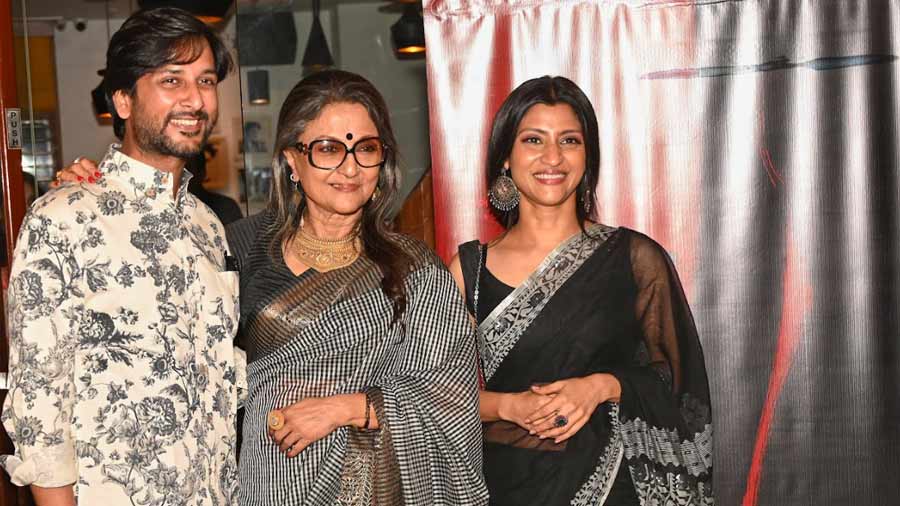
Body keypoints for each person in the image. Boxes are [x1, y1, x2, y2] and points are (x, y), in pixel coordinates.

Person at [59, 70, 490, 505]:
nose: (350, 167)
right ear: (292, 161)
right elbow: (158, 335)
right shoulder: (234, 247)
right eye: (327, 149)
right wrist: (96, 201)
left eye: (366, 149)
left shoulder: (416, 270)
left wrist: (350, 407)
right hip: (264, 485)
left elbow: (451, 397)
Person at [1, 8, 245, 505]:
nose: (195, 99)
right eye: (171, 80)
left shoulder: (208, 227)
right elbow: (40, 405)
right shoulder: (62, 218)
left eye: (205, 80)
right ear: (123, 100)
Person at [448, 76, 714, 505]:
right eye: (533, 139)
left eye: (569, 140)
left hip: (614, 484)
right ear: (505, 158)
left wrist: (601, 386)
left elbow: (679, 382)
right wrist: (509, 407)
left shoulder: (633, 257)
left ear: (587, 156)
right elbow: (433, 393)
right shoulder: (469, 270)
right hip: (507, 484)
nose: (552, 156)